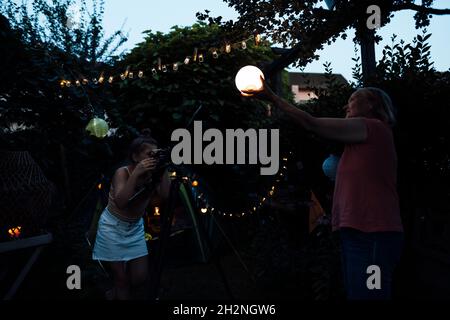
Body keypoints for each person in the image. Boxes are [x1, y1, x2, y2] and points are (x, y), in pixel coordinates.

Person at [243, 79, 403, 300]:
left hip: (373, 235)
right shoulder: (359, 142)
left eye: (353, 100)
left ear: (372, 105)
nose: (346, 106)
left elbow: (312, 123)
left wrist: (272, 97)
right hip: (357, 232)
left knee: (371, 294)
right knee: (360, 294)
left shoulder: (373, 127)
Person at [92, 129, 170, 300]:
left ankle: (114, 293)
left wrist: (163, 168)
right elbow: (121, 202)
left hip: (134, 228)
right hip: (112, 227)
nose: (153, 157)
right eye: (149, 154)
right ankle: (118, 289)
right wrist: (136, 173)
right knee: (121, 280)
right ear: (135, 157)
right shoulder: (122, 172)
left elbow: (164, 196)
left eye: (156, 154)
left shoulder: (153, 175)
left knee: (139, 278)